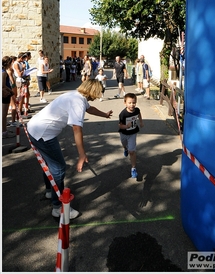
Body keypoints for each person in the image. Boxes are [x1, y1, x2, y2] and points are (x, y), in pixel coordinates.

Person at [27, 79, 113, 219]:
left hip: (36, 128)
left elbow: (89, 108)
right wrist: (81, 155)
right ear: (93, 91)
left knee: (49, 164)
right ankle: (57, 207)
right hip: (43, 134)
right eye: (98, 93)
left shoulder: (77, 95)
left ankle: (50, 191)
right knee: (59, 168)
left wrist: (104, 114)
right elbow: (77, 128)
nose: (98, 96)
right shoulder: (78, 102)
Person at [118, 93, 143, 179]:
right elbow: (120, 125)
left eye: (134, 102)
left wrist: (141, 121)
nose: (132, 105)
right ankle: (125, 148)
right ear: (125, 103)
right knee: (124, 144)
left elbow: (139, 113)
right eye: (129, 103)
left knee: (132, 151)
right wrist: (126, 126)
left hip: (133, 133)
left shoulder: (137, 110)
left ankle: (133, 168)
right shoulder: (123, 114)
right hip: (124, 133)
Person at [2, 56, 15, 138]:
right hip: (5, 94)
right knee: (4, 114)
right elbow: (2, 85)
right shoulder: (3, 72)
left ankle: (4, 129)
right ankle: (4, 131)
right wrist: (11, 91)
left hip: (5, 93)